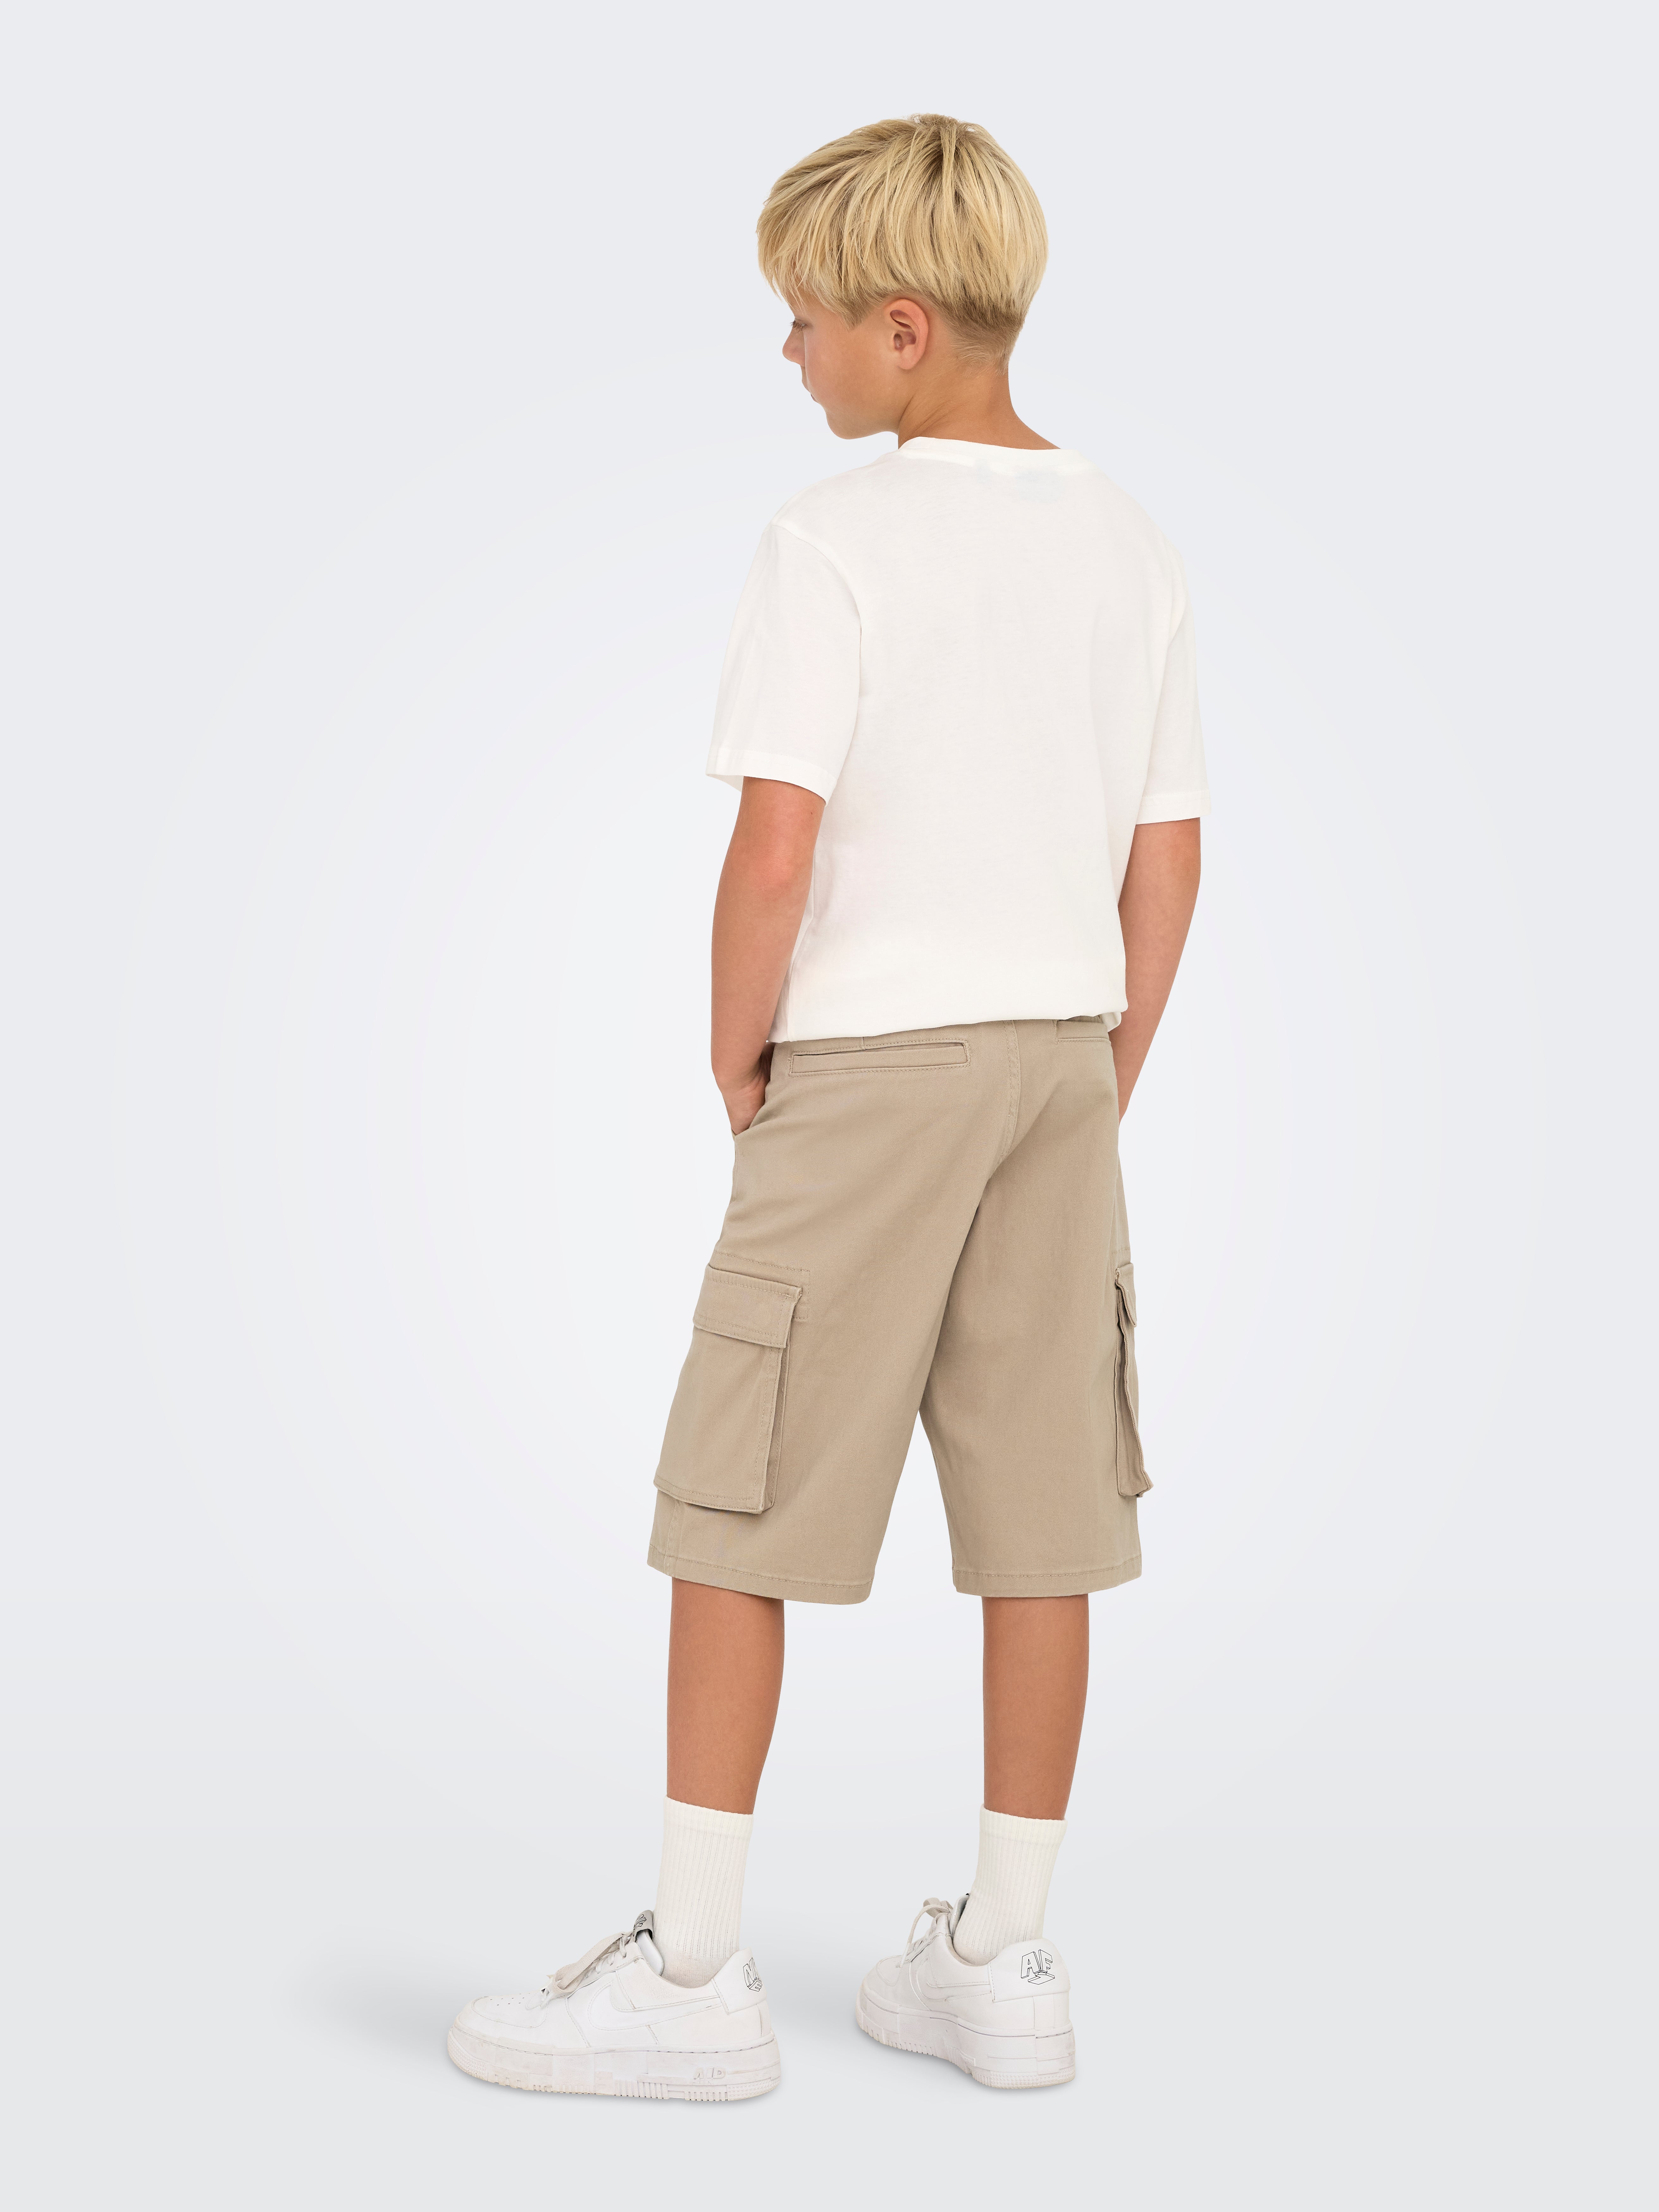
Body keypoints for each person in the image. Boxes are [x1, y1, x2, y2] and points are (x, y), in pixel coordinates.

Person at [449, 112, 1207, 2102]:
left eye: (801, 319)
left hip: (867, 1070)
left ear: (899, 327)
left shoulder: (835, 540)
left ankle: (696, 1975)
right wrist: (1102, 1073)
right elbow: (1169, 862)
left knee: (741, 1488)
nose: (784, 354)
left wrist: (737, 1056)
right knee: (1049, 1507)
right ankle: (1006, 1955)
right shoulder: (1129, 541)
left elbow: (775, 849)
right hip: (1058, 1062)